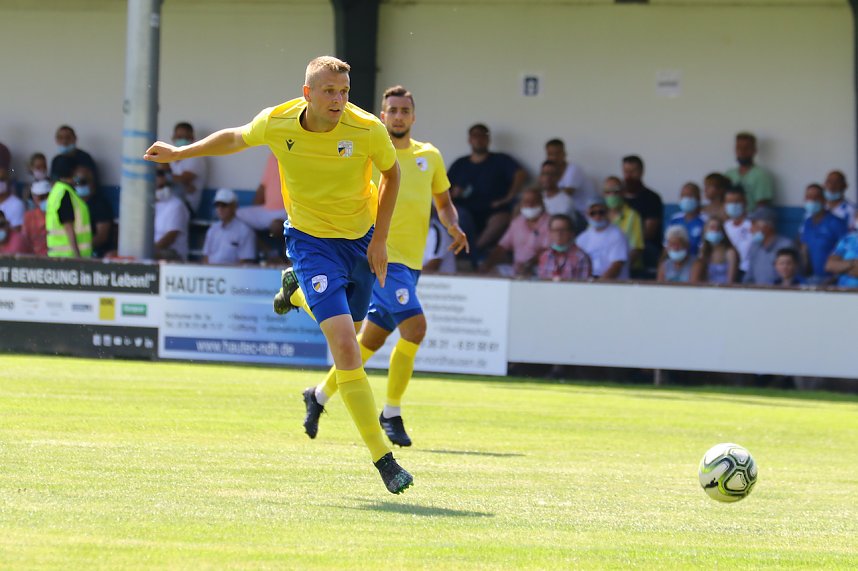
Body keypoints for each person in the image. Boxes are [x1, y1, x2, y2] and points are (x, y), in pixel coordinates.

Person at [144, 56, 413, 494]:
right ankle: (383, 459)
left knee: (355, 328)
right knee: (347, 346)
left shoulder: (367, 129)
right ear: (307, 93)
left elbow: (392, 174)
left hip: (360, 241)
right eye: (330, 91)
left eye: (344, 92)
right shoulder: (279, 121)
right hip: (310, 241)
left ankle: (295, 292)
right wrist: (179, 153)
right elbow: (236, 137)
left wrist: (380, 238)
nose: (339, 100)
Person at [292, 84, 468, 449]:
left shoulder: (429, 156)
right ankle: (391, 412)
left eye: (405, 110)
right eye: (393, 110)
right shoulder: (367, 152)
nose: (399, 116)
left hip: (411, 263)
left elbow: (444, 201)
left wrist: (452, 225)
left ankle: (319, 396)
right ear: (382, 115)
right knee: (415, 328)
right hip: (377, 256)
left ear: (413, 117)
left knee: (368, 340)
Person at [447, 123, 526, 259]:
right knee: (460, 216)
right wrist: (454, 193)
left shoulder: (500, 160)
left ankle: (473, 250)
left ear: (488, 139)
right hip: (466, 210)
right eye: (475, 136)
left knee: (502, 219)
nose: (479, 139)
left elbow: (520, 174)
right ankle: (472, 254)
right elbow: (444, 188)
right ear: (470, 139)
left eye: (483, 136)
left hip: (493, 209)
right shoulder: (460, 163)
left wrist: (509, 197)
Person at [479, 188, 550, 277]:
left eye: (533, 201)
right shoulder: (517, 222)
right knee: (490, 274)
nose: (529, 205)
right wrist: (488, 263)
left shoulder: (550, 222)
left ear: (542, 203)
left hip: (540, 268)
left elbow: (547, 251)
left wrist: (529, 264)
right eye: (526, 202)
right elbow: (502, 247)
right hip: (517, 268)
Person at [621, 155, 663, 278]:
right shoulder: (618, 199)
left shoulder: (652, 198)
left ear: (641, 172)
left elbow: (648, 233)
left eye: (633, 172)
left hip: (645, 247)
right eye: (626, 172)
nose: (629, 176)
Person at [799, 183, 847, 284]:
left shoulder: (836, 223)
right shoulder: (807, 222)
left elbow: (846, 252)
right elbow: (805, 251)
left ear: (824, 200)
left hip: (833, 280)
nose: (812, 200)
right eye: (808, 197)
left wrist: (835, 277)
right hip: (812, 278)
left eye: (816, 197)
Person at [46, 155, 92, 258]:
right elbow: (68, 226)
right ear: (72, 171)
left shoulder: (57, 191)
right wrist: (77, 257)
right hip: (69, 258)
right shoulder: (65, 193)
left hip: (59, 256)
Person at [235, 152, 288, 239]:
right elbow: (263, 185)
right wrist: (254, 211)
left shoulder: (297, 157)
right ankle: (263, 249)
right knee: (236, 215)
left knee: (277, 226)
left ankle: (283, 251)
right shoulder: (273, 157)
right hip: (267, 211)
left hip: (286, 212)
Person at [576, 197, 629, 280]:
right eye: (593, 213)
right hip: (589, 284)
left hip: (612, 285)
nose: (597, 216)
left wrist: (599, 285)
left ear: (608, 213)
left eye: (601, 212)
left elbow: (616, 266)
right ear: (587, 214)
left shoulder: (617, 234)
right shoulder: (582, 238)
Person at [202, 188, 257, 264]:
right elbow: (206, 258)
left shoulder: (245, 231)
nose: (220, 208)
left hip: (233, 274)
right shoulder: (212, 229)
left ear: (234, 206)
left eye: (224, 205)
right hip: (212, 273)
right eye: (217, 205)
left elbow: (245, 262)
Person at [743, 207, 794, 285]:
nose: (750, 230)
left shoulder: (786, 245)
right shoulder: (754, 246)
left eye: (754, 225)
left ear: (766, 227)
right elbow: (749, 277)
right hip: (756, 294)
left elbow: (794, 277)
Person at [73, 164, 115, 258]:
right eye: (76, 182)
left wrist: (81, 248)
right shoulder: (73, 203)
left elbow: (102, 236)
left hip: (98, 253)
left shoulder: (100, 204)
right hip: (77, 252)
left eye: (82, 181)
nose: (78, 185)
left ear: (92, 182)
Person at [545, 138, 595, 216]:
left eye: (557, 153)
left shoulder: (574, 170)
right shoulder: (549, 171)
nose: (554, 157)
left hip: (583, 213)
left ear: (564, 153)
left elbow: (566, 195)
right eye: (550, 154)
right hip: (566, 212)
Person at [725, 131, 774, 211]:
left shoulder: (761, 175)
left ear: (754, 150)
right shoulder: (729, 174)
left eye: (746, 148)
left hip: (751, 218)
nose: (742, 152)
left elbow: (762, 206)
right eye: (739, 148)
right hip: (730, 219)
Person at [603, 175, 643, 271]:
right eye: (608, 191)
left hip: (626, 270)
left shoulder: (633, 216)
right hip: (601, 270)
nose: (612, 195)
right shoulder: (598, 215)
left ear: (623, 192)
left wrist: (620, 269)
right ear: (603, 194)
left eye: (616, 191)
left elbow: (637, 249)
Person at [536, 214, 591, 281]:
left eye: (563, 230)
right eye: (555, 230)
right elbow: (541, 283)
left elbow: (584, 287)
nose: (559, 234)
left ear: (571, 233)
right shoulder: (545, 256)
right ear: (550, 233)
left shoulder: (581, 257)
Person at [168, 121, 208, 215]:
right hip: (169, 200)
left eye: (185, 138)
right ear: (173, 138)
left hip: (187, 206)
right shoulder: (171, 157)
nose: (181, 140)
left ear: (192, 139)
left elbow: (183, 179)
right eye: (179, 137)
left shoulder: (196, 157)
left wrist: (165, 175)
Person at [153, 169, 190, 261]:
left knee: (150, 256)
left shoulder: (176, 205)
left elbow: (170, 238)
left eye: (162, 186)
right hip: (152, 250)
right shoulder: (148, 207)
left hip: (172, 254)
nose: (159, 190)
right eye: (157, 187)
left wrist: (147, 252)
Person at [692, 217, 739, 285]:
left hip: (725, 290)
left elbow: (731, 281)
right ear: (705, 231)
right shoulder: (703, 252)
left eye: (718, 228)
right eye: (712, 228)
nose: (715, 230)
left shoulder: (730, 253)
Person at [666, 182, 705, 256]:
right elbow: (667, 246)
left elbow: (704, 250)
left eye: (690, 196)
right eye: (683, 196)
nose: (686, 199)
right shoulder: (674, 219)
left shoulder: (705, 220)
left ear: (698, 198)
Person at [723, 185, 753, 279]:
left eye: (737, 202)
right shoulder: (724, 226)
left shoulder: (753, 224)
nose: (733, 205)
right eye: (730, 202)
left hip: (747, 271)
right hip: (727, 271)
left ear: (745, 202)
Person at [422, 208, 456, 274]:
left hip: (443, 282)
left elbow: (432, 267)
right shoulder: (407, 231)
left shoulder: (436, 232)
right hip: (415, 279)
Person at [22, 180, 51, 256]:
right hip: (35, 259)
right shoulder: (29, 217)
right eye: (41, 197)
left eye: (46, 196)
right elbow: (25, 241)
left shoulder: (57, 213)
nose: (45, 199)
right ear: (34, 198)